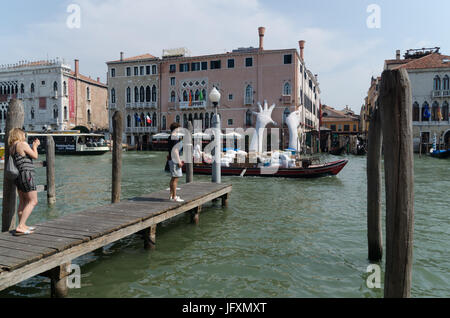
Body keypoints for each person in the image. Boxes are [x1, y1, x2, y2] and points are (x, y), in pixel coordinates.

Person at [8, 128, 40, 235]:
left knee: (22, 201)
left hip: (18, 176)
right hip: (27, 175)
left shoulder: (11, 147)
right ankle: (21, 226)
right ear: (19, 135)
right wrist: (35, 146)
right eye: (23, 135)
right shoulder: (22, 144)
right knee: (33, 201)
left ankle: (23, 224)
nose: (25, 137)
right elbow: (35, 156)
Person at [168, 122, 184, 202]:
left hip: (171, 159)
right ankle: (174, 197)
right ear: (176, 129)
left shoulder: (170, 137)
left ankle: (171, 195)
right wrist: (179, 162)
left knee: (173, 178)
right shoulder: (175, 137)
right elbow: (175, 150)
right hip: (174, 160)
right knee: (175, 179)